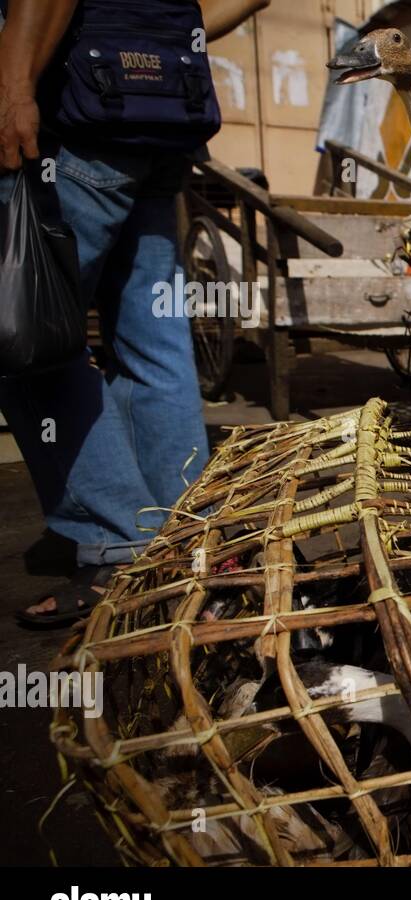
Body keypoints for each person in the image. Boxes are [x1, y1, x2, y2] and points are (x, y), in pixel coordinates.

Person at [0, 0, 269, 627]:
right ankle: (190, 538)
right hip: (157, 128)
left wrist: (14, 89)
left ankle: (119, 541)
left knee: (26, 338)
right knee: (155, 343)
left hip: (74, 128)